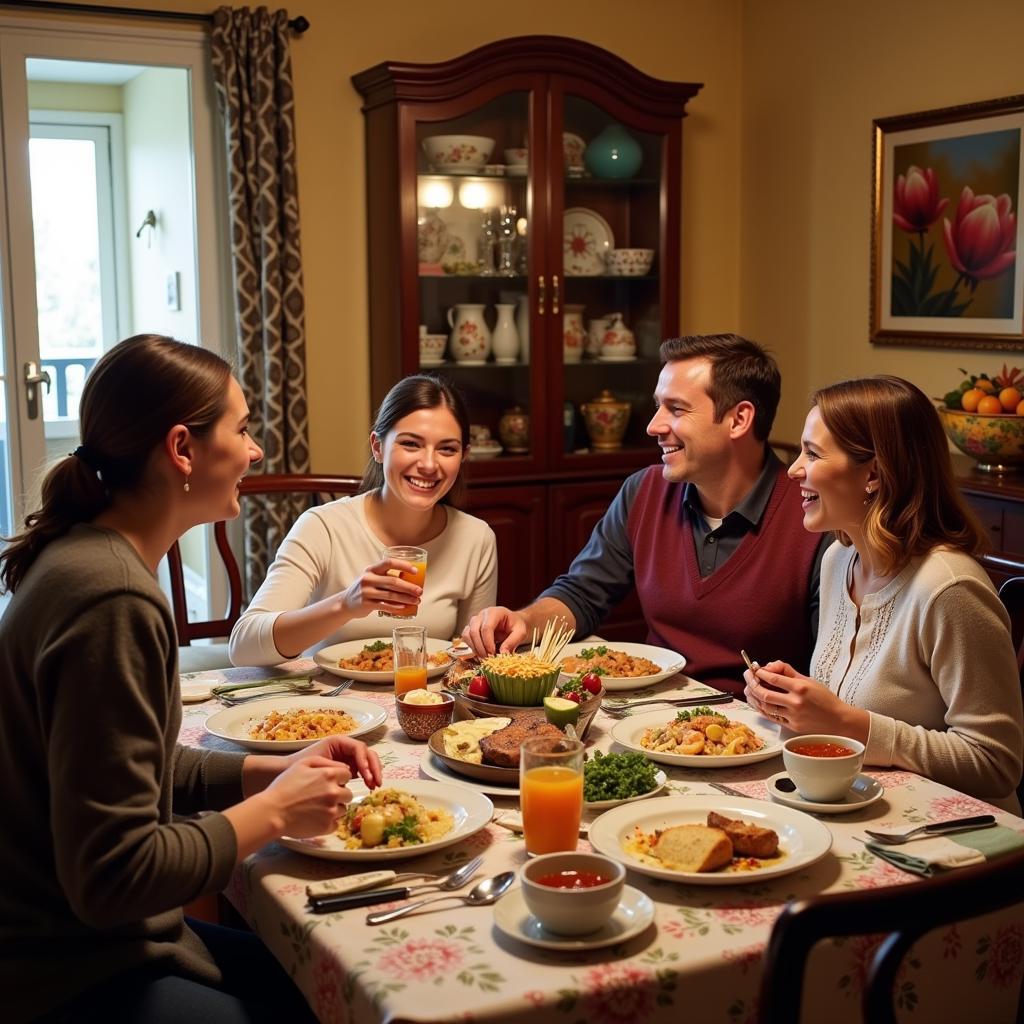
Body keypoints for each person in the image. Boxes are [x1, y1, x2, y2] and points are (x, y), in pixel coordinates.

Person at [0, 335, 383, 1023]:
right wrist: (272, 815)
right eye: (241, 429)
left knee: (322, 970)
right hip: (65, 970)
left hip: (90, 941)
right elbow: (112, 876)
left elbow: (125, 768)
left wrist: (264, 772)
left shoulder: (88, 556)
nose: (256, 450)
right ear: (182, 449)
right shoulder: (111, 597)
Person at [463, 334, 829, 695]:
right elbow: (583, 594)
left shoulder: (814, 517)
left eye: (677, 409)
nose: (653, 426)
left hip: (754, 733)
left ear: (739, 419)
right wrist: (524, 621)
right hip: (648, 719)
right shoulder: (645, 491)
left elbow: (827, 676)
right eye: (658, 406)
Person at [744, 375, 1023, 811]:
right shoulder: (839, 560)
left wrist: (849, 724)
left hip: (957, 838)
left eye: (813, 454)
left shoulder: (949, 588)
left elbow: (996, 763)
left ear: (873, 473)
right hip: (864, 808)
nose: (794, 468)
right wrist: (793, 702)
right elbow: (852, 710)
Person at [228, 374, 497, 666]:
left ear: (463, 456)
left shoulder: (476, 538)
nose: (429, 465)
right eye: (410, 444)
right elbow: (243, 647)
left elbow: (471, 660)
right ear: (378, 447)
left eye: (447, 449)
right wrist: (346, 604)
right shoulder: (324, 527)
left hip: (422, 702)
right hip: (327, 706)